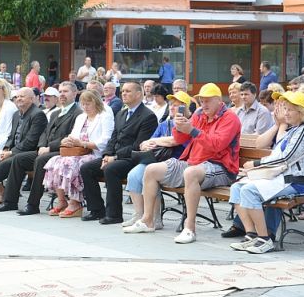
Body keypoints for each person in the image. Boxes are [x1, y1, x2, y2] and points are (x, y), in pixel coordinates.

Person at [124, 83, 241, 244]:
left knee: (190, 173)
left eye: (207, 101)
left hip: (220, 166)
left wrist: (192, 130)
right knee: (151, 170)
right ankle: (148, 220)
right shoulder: (199, 114)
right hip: (194, 163)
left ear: (218, 100)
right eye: (202, 101)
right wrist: (179, 127)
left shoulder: (230, 118)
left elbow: (217, 145)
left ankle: (189, 228)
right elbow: (180, 139)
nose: (204, 104)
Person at [228, 91, 304, 254]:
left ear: (301, 112)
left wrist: (256, 164)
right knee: (237, 187)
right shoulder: (295, 129)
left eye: (290, 110)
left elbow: (285, 158)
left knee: (249, 191)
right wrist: (257, 166)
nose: (286, 113)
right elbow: (277, 155)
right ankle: (251, 235)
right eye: (285, 109)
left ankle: (265, 239)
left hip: (297, 182)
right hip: (283, 178)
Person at [80, 82, 158, 224]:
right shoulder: (121, 114)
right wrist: (106, 155)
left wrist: (115, 157)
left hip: (133, 158)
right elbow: (113, 138)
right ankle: (97, 210)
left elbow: (138, 146)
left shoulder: (148, 116)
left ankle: (114, 215)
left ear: (139, 94)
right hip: (115, 156)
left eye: (128, 91)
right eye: (123, 91)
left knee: (111, 169)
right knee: (86, 168)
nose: (124, 94)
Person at [123, 90, 192, 229]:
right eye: (171, 104)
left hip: (178, 164)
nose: (172, 107)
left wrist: (156, 141)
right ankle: (139, 215)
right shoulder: (164, 124)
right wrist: (145, 145)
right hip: (157, 160)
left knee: (152, 173)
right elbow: (148, 142)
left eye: (177, 105)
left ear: (185, 108)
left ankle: (155, 219)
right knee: (134, 175)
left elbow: (175, 141)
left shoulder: (189, 124)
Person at [12, 82, 83, 216]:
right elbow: (45, 132)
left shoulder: (78, 113)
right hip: (46, 149)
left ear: (75, 93)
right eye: (60, 91)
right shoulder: (56, 113)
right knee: (19, 159)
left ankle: (33, 205)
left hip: (64, 150)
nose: (62, 94)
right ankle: (10, 200)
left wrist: (49, 148)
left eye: (65, 91)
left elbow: (70, 136)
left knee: (41, 160)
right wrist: (41, 146)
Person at [43, 90, 115, 217]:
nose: (85, 107)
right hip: (77, 151)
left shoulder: (104, 116)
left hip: (94, 153)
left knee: (69, 163)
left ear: (96, 103)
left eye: (88, 104)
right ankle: (62, 201)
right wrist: (67, 140)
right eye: (83, 104)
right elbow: (73, 135)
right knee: (53, 161)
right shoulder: (81, 117)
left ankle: (75, 203)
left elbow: (106, 141)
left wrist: (83, 143)